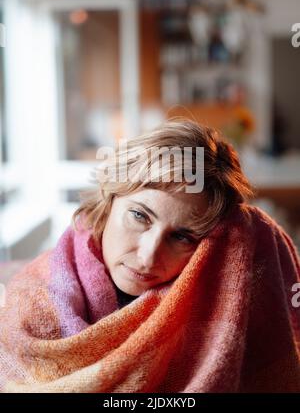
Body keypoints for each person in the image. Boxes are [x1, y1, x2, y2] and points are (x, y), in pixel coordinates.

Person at [0, 119, 299, 393]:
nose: (148, 256)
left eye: (181, 236)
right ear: (109, 198)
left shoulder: (210, 308)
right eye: (139, 215)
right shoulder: (32, 298)